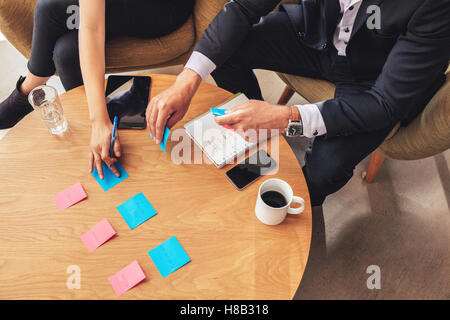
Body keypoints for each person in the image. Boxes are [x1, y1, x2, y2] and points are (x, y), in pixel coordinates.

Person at [146, 0, 450, 206]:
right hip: (315, 35)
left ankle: (295, 206)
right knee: (226, 53)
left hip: (375, 79)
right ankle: (253, 135)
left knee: (323, 169)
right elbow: (241, 8)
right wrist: (187, 79)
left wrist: (286, 116)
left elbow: (385, 103)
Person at [0, 0, 195, 179]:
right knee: (67, 53)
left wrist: (99, 120)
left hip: (163, 8)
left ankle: (29, 89)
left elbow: (92, 27)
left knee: (48, 9)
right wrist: (98, 121)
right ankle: (98, 137)